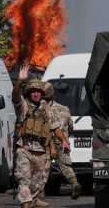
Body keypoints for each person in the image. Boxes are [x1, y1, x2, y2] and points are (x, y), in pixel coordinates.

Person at [13, 64, 69, 208]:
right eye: (33, 91)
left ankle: (31, 202)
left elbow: (55, 127)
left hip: (41, 152)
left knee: (38, 184)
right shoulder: (23, 106)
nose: (36, 94)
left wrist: (63, 141)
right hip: (24, 149)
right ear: (29, 93)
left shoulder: (46, 109)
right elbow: (15, 97)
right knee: (23, 179)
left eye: (39, 91)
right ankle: (26, 204)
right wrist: (20, 81)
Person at [42, 82, 81, 199]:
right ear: (53, 94)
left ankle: (38, 192)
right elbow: (71, 127)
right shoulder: (64, 109)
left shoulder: (40, 108)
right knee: (65, 165)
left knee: (44, 167)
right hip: (63, 141)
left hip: (46, 141)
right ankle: (74, 183)